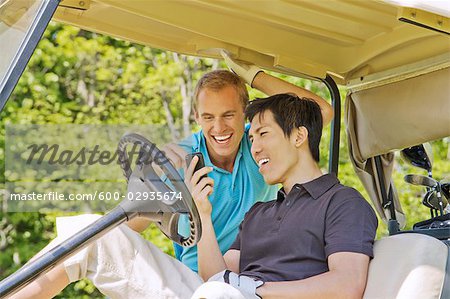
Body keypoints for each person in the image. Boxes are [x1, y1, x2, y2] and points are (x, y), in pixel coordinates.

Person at [11, 94, 376, 299]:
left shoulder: (343, 203)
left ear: (298, 136)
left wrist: (256, 289)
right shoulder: (261, 213)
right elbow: (218, 275)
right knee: (92, 234)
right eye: (252, 139)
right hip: (218, 296)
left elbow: (347, 285)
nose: (255, 146)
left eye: (263, 134)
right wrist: (201, 210)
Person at [127, 51, 334, 272]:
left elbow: (321, 111)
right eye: (208, 117)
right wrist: (152, 182)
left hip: (254, 275)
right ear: (197, 117)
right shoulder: (180, 159)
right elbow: (129, 228)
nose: (218, 128)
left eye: (227, 115)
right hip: (193, 280)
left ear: (245, 112)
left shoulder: (259, 146)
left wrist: (253, 76)